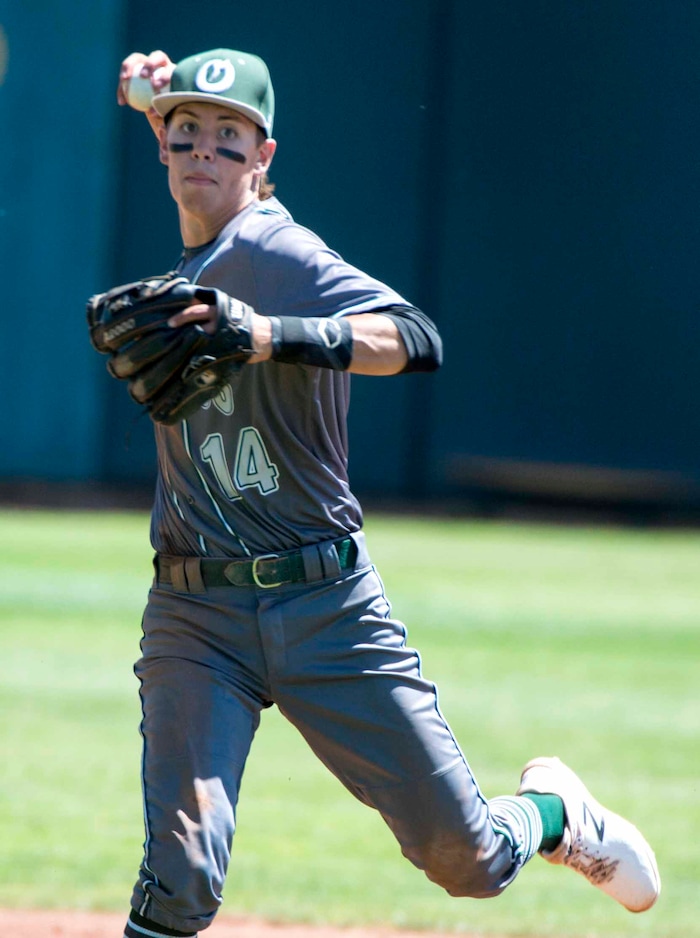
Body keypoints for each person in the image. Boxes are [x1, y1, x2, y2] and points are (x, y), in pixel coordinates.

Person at [112, 47, 660, 938]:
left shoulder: (273, 249)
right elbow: (176, 118)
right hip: (194, 615)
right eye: (185, 136)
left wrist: (266, 334)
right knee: (179, 877)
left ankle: (557, 816)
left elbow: (415, 335)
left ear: (264, 157)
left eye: (228, 137)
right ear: (163, 148)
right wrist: (149, 96)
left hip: (324, 603)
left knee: (467, 860)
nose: (202, 150)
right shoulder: (197, 237)